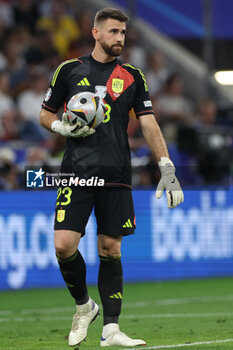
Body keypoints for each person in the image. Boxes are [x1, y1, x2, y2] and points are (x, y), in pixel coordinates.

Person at [39, 7, 184, 347]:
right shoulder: (69, 70)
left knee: (111, 248)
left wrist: (166, 166)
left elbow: (148, 122)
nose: (120, 38)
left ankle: (111, 330)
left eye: (123, 33)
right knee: (63, 245)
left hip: (117, 173)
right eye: (114, 32)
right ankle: (84, 306)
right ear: (96, 33)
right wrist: (61, 126)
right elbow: (45, 114)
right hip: (77, 172)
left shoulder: (132, 75)